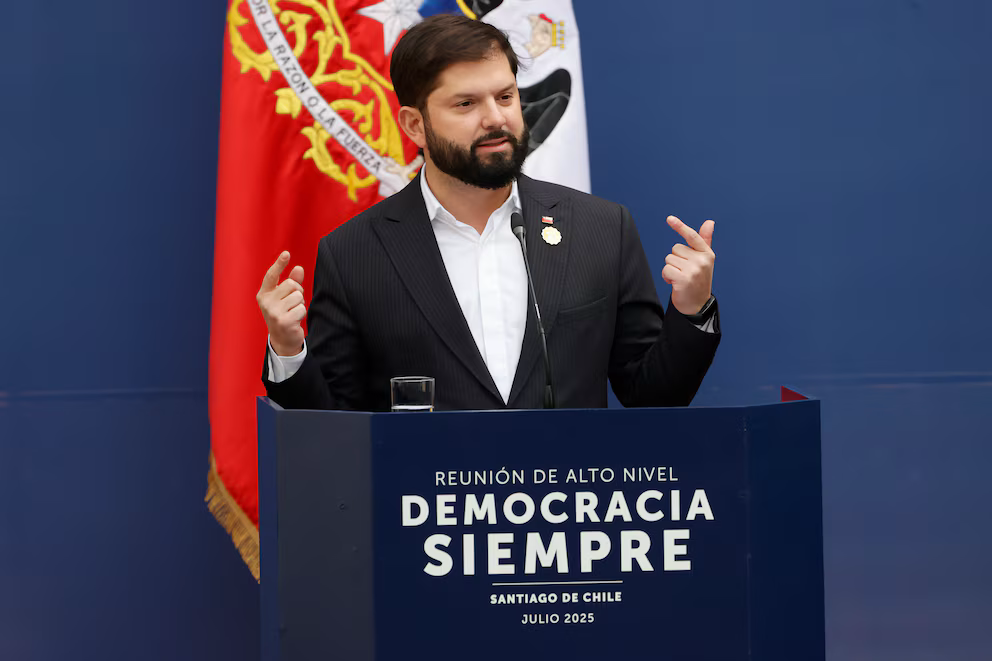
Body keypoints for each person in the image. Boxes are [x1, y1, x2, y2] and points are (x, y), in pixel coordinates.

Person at [256, 14, 720, 412]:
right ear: (415, 125)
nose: (496, 118)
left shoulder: (600, 229)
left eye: (505, 97)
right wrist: (289, 349)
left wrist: (691, 309)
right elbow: (333, 429)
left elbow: (652, 397)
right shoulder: (355, 253)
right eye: (466, 104)